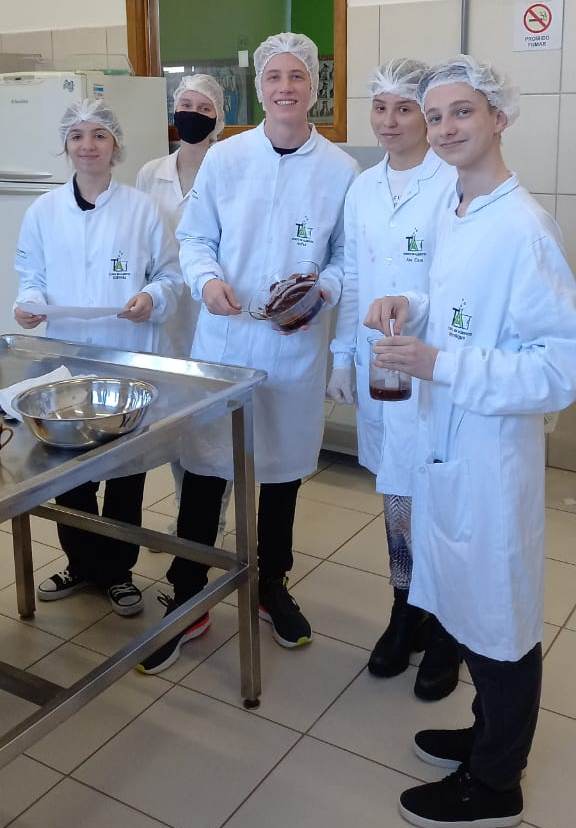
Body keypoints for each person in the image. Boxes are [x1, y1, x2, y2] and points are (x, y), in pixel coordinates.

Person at [368, 56, 576, 827]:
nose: (447, 127)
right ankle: (486, 735)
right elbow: (455, 299)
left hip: (491, 456)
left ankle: (496, 786)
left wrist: (440, 364)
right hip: (450, 445)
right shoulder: (456, 207)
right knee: (466, 600)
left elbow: (558, 370)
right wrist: (408, 304)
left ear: (499, 117)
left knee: (501, 617)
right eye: (437, 115)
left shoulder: (524, 228)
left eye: (464, 112)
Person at [137, 32, 358, 674]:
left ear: (313, 88)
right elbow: (195, 238)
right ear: (258, 88)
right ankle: (188, 594)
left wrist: (321, 292)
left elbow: (348, 256)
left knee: (282, 473)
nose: (285, 87)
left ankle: (270, 584)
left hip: (294, 345)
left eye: (297, 76)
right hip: (227, 339)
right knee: (208, 466)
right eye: (274, 77)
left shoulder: (340, 171)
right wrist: (207, 282)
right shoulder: (227, 160)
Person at [14, 99, 182, 616]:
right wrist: (29, 305)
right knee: (69, 469)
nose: (87, 145)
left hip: (127, 357)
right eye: (77, 136)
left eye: (99, 136)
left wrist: (151, 297)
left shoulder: (142, 210)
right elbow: (31, 277)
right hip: (65, 360)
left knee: (125, 470)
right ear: (66, 145)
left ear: (116, 146)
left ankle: (118, 571)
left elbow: (170, 275)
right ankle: (83, 564)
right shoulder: (43, 212)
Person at [328, 58, 461, 701]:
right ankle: (404, 606)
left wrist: (414, 307)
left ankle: (446, 626)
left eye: (404, 108)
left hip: (433, 365)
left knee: (435, 495)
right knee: (396, 495)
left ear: (426, 115)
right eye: (379, 108)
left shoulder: (452, 182)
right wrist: (341, 357)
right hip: (379, 364)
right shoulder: (362, 187)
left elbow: (457, 282)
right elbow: (354, 277)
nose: (389, 122)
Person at [136, 74, 232, 540]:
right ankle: (183, 509)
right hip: (167, 311)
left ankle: (214, 517)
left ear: (219, 116)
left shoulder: (231, 166)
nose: (192, 113)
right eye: (185, 104)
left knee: (212, 419)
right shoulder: (150, 172)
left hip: (213, 306)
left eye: (204, 107)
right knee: (175, 416)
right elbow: (140, 237)